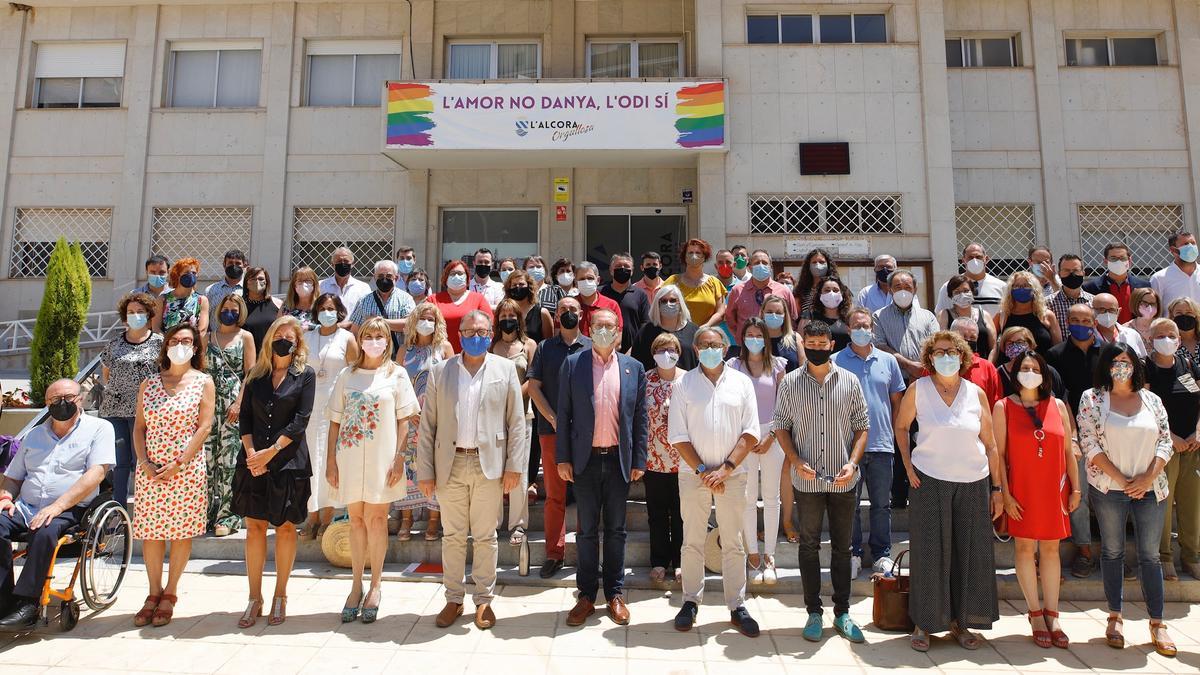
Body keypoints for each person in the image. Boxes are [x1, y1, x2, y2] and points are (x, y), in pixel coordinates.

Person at [894, 330, 1002, 652]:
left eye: (951, 351)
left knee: (969, 555)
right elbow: (901, 427)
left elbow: (992, 444)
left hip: (972, 481)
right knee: (929, 553)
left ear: (963, 356)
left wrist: (997, 488)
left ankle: (962, 622)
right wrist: (909, 467)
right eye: (939, 352)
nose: (946, 356)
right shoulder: (919, 389)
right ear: (929, 358)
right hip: (929, 479)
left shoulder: (976, 393)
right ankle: (924, 624)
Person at [417, 311, 525, 631]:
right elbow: (429, 426)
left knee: (485, 536)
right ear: (458, 333)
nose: (475, 335)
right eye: (468, 330)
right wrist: (425, 471)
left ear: (490, 333)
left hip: (488, 464)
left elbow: (516, 423)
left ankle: (484, 600)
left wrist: (514, 467)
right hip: (450, 464)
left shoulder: (505, 369)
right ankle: (453, 598)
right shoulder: (440, 372)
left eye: (481, 330)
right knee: (452, 536)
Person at [1077, 343, 1176, 657]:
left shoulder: (1151, 399)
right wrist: (1122, 480)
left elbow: (1165, 440)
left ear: (1135, 365)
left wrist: (1146, 478)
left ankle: (1157, 623)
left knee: (1151, 556)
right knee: (1113, 551)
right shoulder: (1092, 398)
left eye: (1126, 361)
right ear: (1106, 366)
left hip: (1150, 488)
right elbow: (1089, 442)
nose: (1121, 366)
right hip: (1110, 489)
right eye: (1115, 361)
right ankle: (1115, 616)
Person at [774, 321, 869, 643]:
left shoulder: (850, 381)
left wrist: (853, 462)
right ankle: (813, 611)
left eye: (822, 342)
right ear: (805, 345)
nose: (816, 347)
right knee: (809, 545)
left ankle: (842, 611)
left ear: (831, 345)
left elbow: (862, 426)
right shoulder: (789, 383)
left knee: (843, 548)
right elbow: (781, 427)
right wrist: (796, 461)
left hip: (843, 480)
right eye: (810, 342)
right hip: (807, 481)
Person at [668, 326, 762, 637]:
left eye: (716, 344)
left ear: (725, 348)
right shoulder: (683, 384)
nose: (711, 348)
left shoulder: (741, 383)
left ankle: (737, 605)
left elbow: (750, 432)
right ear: (695, 349)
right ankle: (691, 601)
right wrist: (704, 472)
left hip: (732, 476)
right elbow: (678, 436)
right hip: (694, 475)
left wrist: (725, 469)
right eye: (705, 344)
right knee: (692, 540)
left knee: (733, 542)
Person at [326, 317, 419, 624]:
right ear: (361, 339)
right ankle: (355, 586)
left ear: (387, 341)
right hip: (349, 457)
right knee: (355, 520)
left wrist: (399, 458)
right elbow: (335, 421)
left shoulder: (397, 374)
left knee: (377, 519)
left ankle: (376, 585)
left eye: (380, 336)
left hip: (384, 458)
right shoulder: (346, 375)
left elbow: (405, 419)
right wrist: (330, 461)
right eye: (369, 336)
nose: (375, 341)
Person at [0, 380, 115, 629]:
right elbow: (13, 477)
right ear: (46, 402)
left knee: (45, 528)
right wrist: (6, 497)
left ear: (80, 399)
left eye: (68, 397)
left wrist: (57, 506)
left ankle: (27, 603)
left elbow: (96, 474)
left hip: (71, 508)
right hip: (27, 506)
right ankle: (3, 599)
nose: (61, 403)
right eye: (54, 400)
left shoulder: (99, 429)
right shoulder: (34, 435)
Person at [558, 309, 647, 627]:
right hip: (585, 460)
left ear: (619, 331)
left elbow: (639, 419)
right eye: (599, 326)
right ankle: (585, 595)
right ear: (589, 329)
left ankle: (614, 593)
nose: (604, 331)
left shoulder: (633, 368)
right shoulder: (573, 364)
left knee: (616, 531)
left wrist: (639, 459)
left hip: (619, 460)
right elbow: (564, 414)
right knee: (585, 532)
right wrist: (562, 458)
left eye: (610, 326)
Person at [130, 323, 215, 627]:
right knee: (152, 533)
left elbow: (204, 427)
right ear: (166, 346)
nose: (181, 345)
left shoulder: (203, 382)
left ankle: (170, 592)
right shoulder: (149, 383)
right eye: (175, 340)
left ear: (195, 348)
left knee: (180, 533)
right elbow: (139, 427)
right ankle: (153, 592)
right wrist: (144, 462)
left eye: (187, 341)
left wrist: (180, 462)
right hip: (151, 470)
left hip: (185, 470)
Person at [993, 350, 1078, 649]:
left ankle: (1053, 613)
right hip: (1021, 490)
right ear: (1015, 373)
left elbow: (1069, 451)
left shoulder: (1057, 405)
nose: (1030, 372)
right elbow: (999, 455)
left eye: (1035, 368)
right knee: (1025, 548)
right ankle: (1035, 613)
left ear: (1045, 374)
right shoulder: (1003, 407)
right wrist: (1004, 493)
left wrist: (1076, 489)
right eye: (1024, 368)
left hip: (1054, 488)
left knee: (1052, 550)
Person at [234, 316, 316, 628]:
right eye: (278, 334)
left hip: (288, 462)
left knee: (284, 528)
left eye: (290, 336)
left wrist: (272, 451)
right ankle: (255, 597)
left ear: (298, 342)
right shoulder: (256, 376)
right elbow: (244, 419)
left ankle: (281, 594)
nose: (284, 339)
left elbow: (301, 419)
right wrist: (253, 452)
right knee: (254, 528)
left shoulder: (304, 375)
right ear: (270, 338)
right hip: (254, 462)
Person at [834, 308, 906, 578]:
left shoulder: (888, 361)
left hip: (881, 444)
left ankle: (881, 555)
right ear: (848, 328)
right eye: (856, 325)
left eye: (865, 325)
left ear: (872, 328)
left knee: (881, 504)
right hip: (846, 447)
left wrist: (894, 434)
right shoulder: (835, 360)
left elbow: (896, 401)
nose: (861, 330)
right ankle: (852, 553)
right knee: (848, 504)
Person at [527, 297, 591, 578]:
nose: (567, 313)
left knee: (589, 495)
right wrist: (553, 417)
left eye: (572, 310)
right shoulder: (544, 348)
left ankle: (589, 555)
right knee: (555, 496)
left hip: (587, 434)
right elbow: (533, 386)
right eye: (562, 310)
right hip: (551, 431)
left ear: (581, 314)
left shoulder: (591, 345)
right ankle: (555, 553)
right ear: (556, 315)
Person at [727, 318, 787, 585]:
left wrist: (772, 435)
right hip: (743, 437)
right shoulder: (733, 366)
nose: (754, 339)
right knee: (749, 498)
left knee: (772, 498)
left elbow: (785, 406)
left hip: (773, 436)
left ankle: (770, 556)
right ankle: (752, 555)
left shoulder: (778, 367)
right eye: (749, 334)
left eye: (758, 334)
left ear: (765, 337)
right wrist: (747, 438)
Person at [1045, 303, 1103, 577]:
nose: (1081, 323)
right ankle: (1084, 550)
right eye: (1075, 319)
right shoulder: (1055, 355)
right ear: (1067, 322)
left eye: (1086, 319)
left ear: (1094, 322)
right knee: (1078, 493)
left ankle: (1113, 552)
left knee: (1107, 495)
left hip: (1106, 433)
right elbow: (1057, 395)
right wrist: (1073, 436)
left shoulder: (1107, 353)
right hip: (1073, 434)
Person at [1145, 318, 1200, 581]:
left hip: (1193, 446)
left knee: (1192, 503)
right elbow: (1144, 409)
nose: (1167, 339)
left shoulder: (1188, 365)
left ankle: (1191, 556)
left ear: (1179, 339)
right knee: (1163, 504)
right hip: (1163, 448)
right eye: (1160, 335)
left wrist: (1197, 431)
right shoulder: (1145, 369)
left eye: (1171, 335)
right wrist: (1171, 437)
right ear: (1150, 339)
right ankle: (1164, 556)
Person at [299, 293, 358, 540]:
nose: (327, 312)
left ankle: (329, 516)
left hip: (337, 407)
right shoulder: (307, 337)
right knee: (312, 459)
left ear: (339, 311)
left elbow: (355, 373)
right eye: (323, 308)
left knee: (332, 461)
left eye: (331, 308)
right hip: (311, 405)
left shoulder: (347, 338)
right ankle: (312, 515)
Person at [100, 291, 164, 512]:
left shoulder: (159, 343)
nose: (135, 315)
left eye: (140, 312)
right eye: (131, 312)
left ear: (149, 314)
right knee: (120, 461)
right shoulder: (114, 343)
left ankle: (144, 507)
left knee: (142, 460)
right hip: (115, 410)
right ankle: (117, 508)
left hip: (146, 412)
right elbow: (106, 372)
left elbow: (164, 374)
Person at [396, 302, 452, 541]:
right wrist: (407, 411)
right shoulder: (403, 350)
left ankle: (433, 520)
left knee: (434, 465)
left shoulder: (444, 348)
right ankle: (406, 519)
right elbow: (397, 383)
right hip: (409, 418)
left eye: (431, 318)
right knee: (408, 467)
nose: (427, 322)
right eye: (422, 318)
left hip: (436, 417)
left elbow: (452, 383)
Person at [205, 294, 256, 536]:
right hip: (207, 405)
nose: (229, 312)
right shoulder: (207, 338)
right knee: (207, 462)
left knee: (228, 461)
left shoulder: (245, 337)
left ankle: (227, 516)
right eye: (225, 308)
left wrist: (239, 403)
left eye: (234, 309)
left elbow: (250, 374)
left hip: (232, 406)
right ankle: (204, 513)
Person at [491, 299, 535, 547]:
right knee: (494, 470)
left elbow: (533, 378)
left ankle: (518, 523)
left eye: (512, 314)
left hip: (522, 416)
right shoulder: (490, 345)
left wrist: (514, 396)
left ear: (519, 318)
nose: (507, 318)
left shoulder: (529, 345)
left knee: (519, 469)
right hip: (493, 418)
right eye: (503, 314)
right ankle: (493, 521)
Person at [644, 332, 685, 584]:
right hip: (653, 458)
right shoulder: (644, 380)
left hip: (684, 459)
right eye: (661, 349)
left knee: (682, 514)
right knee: (657, 513)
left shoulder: (690, 380)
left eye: (671, 349)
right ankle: (659, 560)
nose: (666, 354)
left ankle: (681, 561)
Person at [873, 270, 939, 381]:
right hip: (894, 380)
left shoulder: (928, 316)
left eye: (907, 287)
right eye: (898, 287)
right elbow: (880, 346)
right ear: (890, 290)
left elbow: (936, 343)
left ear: (915, 290)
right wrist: (909, 365)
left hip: (925, 377)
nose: (903, 292)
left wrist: (922, 367)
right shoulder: (879, 316)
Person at [727, 249, 797, 342]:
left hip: (776, 345)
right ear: (750, 267)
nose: (761, 265)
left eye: (764, 263)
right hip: (747, 347)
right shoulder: (737, 291)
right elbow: (731, 321)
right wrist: (742, 337)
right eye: (756, 263)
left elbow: (792, 319)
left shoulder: (784, 291)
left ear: (770, 267)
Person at [349, 260, 416, 357]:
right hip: (370, 358)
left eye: (388, 276)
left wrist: (377, 321)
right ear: (375, 277)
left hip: (397, 358)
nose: (384, 279)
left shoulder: (406, 299)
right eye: (380, 276)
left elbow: (409, 324)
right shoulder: (364, 301)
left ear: (396, 278)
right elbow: (355, 332)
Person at [632, 284, 698, 373]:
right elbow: (636, 363)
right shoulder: (646, 332)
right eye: (663, 301)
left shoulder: (694, 331)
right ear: (657, 305)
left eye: (673, 300)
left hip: (688, 384)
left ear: (680, 303)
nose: (668, 304)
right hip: (654, 384)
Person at [992, 271, 1061, 355]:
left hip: (1041, 366)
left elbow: (1057, 347)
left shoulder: (1046, 315)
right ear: (1010, 290)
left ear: (1034, 289)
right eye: (1016, 286)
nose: (1021, 289)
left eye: (1026, 285)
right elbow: (992, 347)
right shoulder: (1002, 316)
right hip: (1010, 367)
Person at [665, 238, 728, 329]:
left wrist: (706, 326)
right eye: (690, 253)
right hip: (678, 335)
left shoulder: (715, 283)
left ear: (704, 257)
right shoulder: (672, 281)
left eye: (698, 253)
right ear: (685, 257)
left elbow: (721, 312)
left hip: (706, 336)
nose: (694, 256)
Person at [432, 259, 493, 352]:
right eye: (452, 274)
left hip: (472, 356)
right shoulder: (433, 300)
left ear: (467, 277)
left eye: (460, 274)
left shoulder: (478, 299)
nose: (456, 276)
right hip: (439, 356)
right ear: (445, 277)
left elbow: (490, 326)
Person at [1083, 242, 1151, 323]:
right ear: (1105, 261)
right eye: (1113, 258)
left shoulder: (1144, 286)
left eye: (1122, 258)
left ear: (1129, 260)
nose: (1118, 261)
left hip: (1136, 334)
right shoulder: (1091, 288)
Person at [994, 327, 1067, 398]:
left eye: (1019, 342)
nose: (1015, 346)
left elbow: (1063, 402)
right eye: (1010, 343)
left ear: (1030, 344)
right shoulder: (998, 374)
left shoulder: (1047, 371)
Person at [934, 243, 1006, 313]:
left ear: (986, 259)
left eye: (978, 257)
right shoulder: (949, 286)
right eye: (970, 258)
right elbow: (940, 315)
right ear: (963, 260)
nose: (974, 261)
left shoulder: (1001, 287)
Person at [948, 317, 1004, 406]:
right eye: (963, 336)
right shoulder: (940, 364)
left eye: (972, 337)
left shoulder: (987, 368)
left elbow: (996, 404)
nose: (968, 341)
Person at [938, 273, 996, 358]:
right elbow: (941, 343)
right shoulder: (944, 315)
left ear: (973, 292)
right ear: (951, 296)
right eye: (957, 292)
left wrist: (988, 366)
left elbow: (994, 347)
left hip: (982, 366)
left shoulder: (985, 315)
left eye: (966, 290)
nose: (962, 295)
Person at [600, 252, 650, 351]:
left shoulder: (640, 294)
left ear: (632, 271)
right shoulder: (600, 292)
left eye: (626, 266)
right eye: (618, 266)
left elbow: (645, 324)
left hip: (633, 351)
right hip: (603, 349)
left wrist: (634, 348)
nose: (622, 269)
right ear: (611, 270)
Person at [1150, 230, 1200, 313]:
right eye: (1186, 244)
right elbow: (1155, 313)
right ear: (1173, 250)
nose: (1191, 247)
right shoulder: (1159, 279)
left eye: (1193, 243)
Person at [155, 257, 209, 334]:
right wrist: (168, 343)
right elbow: (156, 328)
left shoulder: (202, 300)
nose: (190, 275)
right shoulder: (163, 299)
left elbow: (202, 329)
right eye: (186, 272)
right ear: (177, 275)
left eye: (194, 273)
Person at [1046, 253, 1094, 339]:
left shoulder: (1094, 302)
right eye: (1066, 270)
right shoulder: (1047, 303)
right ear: (1059, 273)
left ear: (1083, 273)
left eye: (1076, 270)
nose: (1072, 274)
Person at [799, 276, 852, 351]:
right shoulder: (809, 316)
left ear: (842, 293)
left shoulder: (849, 317)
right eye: (827, 290)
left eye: (835, 290)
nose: (831, 293)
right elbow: (800, 343)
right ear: (820, 293)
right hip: (817, 361)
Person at [319, 247, 372, 320]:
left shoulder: (363, 288)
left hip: (353, 330)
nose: (342, 264)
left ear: (353, 264)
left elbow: (366, 314)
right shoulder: (321, 286)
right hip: (327, 330)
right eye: (339, 261)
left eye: (346, 261)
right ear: (332, 264)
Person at [856, 254, 920, 313]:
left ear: (895, 269)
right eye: (881, 267)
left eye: (888, 266)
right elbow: (859, 315)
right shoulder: (866, 293)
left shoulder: (905, 291)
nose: (884, 270)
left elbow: (915, 313)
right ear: (875, 269)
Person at [573, 262, 623, 338]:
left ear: (598, 280)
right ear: (576, 283)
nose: (586, 281)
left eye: (590, 278)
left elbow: (618, 337)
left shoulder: (612, 305)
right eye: (582, 279)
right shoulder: (569, 306)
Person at [241, 266, 284, 352]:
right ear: (246, 283)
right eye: (253, 279)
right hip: (245, 357)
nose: (257, 282)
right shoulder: (239, 305)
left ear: (267, 282)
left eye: (261, 279)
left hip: (270, 357)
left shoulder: (278, 304)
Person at [505, 269, 552, 343]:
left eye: (521, 284)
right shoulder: (505, 313)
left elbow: (549, 343)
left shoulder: (542, 313)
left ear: (529, 286)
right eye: (514, 285)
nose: (517, 287)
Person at [1093, 292, 1147, 357]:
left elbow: (1142, 361)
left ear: (1118, 311)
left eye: (1111, 310)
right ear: (1092, 310)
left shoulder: (1132, 335)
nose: (1107, 313)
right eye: (1102, 309)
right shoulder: (1089, 336)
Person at [762, 295, 803, 372]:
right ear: (762, 313)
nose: (774, 315)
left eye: (778, 312)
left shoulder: (796, 338)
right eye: (769, 312)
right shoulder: (755, 340)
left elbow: (804, 370)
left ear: (784, 315)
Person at [794, 248, 838, 315]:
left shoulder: (838, 289)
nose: (817, 265)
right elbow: (795, 315)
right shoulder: (800, 291)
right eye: (814, 262)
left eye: (821, 262)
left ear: (828, 265)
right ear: (808, 266)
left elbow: (846, 312)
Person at [1122, 287, 1160, 353]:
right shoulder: (1125, 329)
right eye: (1145, 303)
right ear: (1135, 303)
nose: (1149, 307)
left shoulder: (1163, 326)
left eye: (1152, 304)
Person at [281, 267, 319, 332]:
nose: (304, 284)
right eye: (300, 281)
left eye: (308, 280)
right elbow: (277, 327)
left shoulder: (321, 306)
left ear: (314, 284)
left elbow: (329, 328)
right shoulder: (287, 305)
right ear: (294, 285)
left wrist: (309, 328)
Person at [1171, 296, 1200, 362]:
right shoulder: (1169, 344)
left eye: (1189, 312)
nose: (1184, 316)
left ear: (1196, 315)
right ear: (1172, 317)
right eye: (1178, 313)